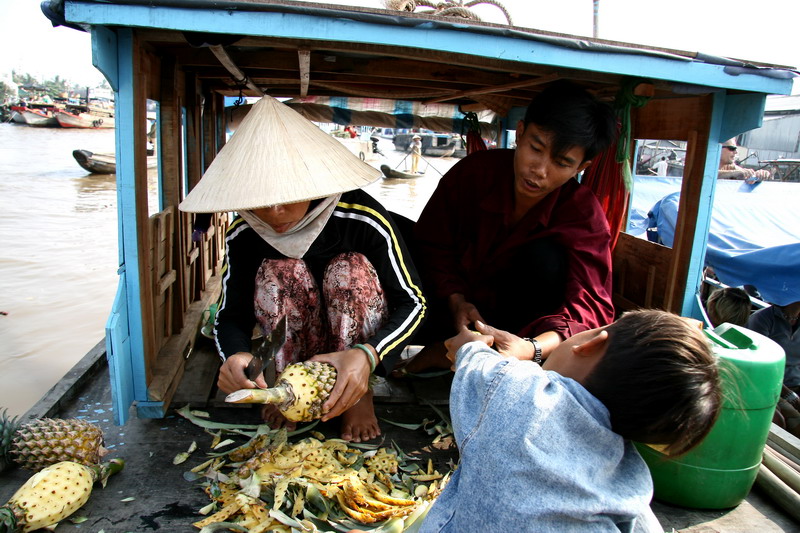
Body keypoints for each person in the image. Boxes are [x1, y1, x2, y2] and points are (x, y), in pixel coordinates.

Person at [179, 96, 426, 442]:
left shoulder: (361, 218)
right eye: (261, 199)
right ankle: (289, 382)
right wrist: (234, 355)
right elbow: (230, 315)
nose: (276, 211)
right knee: (281, 273)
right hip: (295, 345)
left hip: (354, 348)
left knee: (348, 270)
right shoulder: (244, 234)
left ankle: (358, 391)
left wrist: (368, 355)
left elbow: (413, 302)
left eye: (288, 193)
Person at [418, 310, 721, 532]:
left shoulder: (517, 394)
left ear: (591, 343)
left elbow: (472, 356)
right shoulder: (629, 483)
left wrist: (469, 344)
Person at [401, 81, 617, 372]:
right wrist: (456, 302)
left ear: (581, 167)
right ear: (520, 132)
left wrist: (531, 347)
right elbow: (431, 246)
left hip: (520, 334)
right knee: (394, 232)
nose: (539, 170)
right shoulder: (473, 174)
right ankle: (439, 346)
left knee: (546, 258)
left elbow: (592, 307)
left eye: (562, 163)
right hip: (444, 311)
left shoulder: (582, 213)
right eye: (535, 148)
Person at [746, 300, 800, 394]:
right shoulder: (762, 319)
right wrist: (790, 396)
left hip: (796, 384)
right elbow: (760, 366)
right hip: (768, 387)